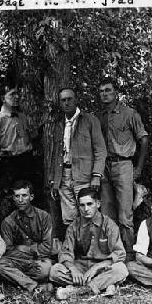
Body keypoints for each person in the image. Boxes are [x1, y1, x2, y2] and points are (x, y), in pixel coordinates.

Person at [97, 78, 148, 261]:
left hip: (124, 164)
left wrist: (139, 167)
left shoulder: (129, 114)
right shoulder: (99, 116)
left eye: (108, 90)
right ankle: (111, 252)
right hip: (104, 166)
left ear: (116, 92)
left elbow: (143, 140)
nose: (104, 94)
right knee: (106, 212)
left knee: (125, 214)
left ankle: (129, 255)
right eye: (101, 91)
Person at [49, 188, 128, 299]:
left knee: (121, 269)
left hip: (102, 268)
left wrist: (97, 267)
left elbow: (119, 253)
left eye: (90, 204)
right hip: (81, 268)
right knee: (55, 271)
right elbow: (66, 252)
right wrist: (73, 269)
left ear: (98, 204)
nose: (86, 209)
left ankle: (79, 290)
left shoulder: (109, 225)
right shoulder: (74, 226)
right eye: (82, 205)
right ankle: (105, 285)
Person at [48, 88, 107, 226]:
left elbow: (100, 150)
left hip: (84, 176)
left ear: (76, 100)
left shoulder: (90, 120)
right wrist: (53, 181)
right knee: (69, 218)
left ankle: (92, 246)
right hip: (63, 176)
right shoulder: (58, 124)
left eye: (69, 99)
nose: (66, 103)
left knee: (88, 214)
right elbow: (55, 154)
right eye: (63, 100)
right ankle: (73, 246)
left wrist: (96, 175)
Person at [0, 84, 38, 195]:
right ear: (3, 98)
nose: (17, 97)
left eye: (17, 94)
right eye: (12, 94)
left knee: (27, 197)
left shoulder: (22, 117)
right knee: (10, 199)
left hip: (26, 162)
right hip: (8, 165)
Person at [0, 180, 55, 292]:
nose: (20, 200)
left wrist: (25, 248)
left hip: (39, 261)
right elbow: (8, 250)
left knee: (46, 270)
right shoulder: (8, 222)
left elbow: (47, 248)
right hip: (19, 261)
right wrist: (30, 251)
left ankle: (17, 279)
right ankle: (34, 286)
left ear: (31, 197)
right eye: (17, 196)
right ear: (13, 198)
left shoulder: (44, 217)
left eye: (24, 196)